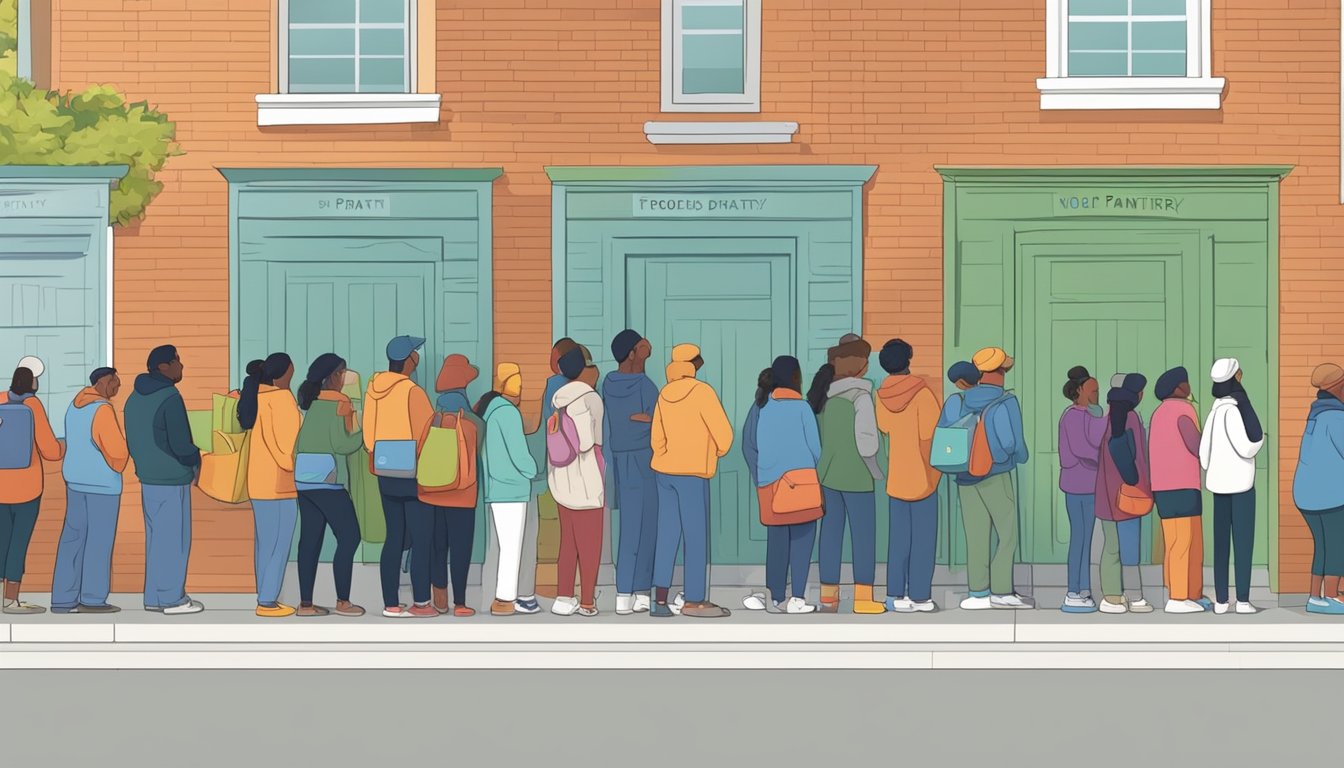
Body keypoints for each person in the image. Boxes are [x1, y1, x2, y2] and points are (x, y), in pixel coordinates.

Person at [938, 347, 1033, 610]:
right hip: (996, 475)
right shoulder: (1006, 401)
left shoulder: (956, 401)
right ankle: (1001, 591)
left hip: (965, 478)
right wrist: (1018, 457)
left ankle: (977, 593)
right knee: (1006, 533)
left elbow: (944, 437)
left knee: (976, 536)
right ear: (999, 372)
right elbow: (1012, 442)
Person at [650, 343, 734, 618]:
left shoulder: (664, 394)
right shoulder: (703, 392)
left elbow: (656, 439)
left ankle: (659, 600)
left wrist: (666, 456)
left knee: (666, 534)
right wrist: (715, 452)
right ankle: (694, 599)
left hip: (664, 473)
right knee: (695, 537)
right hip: (693, 474)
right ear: (694, 364)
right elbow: (724, 435)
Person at [124, 345, 204, 614]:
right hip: (172, 479)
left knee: (156, 540)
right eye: (177, 361)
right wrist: (196, 459)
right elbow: (181, 444)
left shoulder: (133, 398)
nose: (182, 366)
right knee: (174, 540)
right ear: (163, 367)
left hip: (147, 478)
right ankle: (172, 599)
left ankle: (154, 597)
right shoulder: (170, 397)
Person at [809, 335, 884, 614]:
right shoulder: (861, 396)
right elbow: (867, 441)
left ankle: (829, 598)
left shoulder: (821, 396)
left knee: (830, 535)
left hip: (827, 476)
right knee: (863, 537)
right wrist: (875, 470)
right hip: (857, 478)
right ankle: (863, 599)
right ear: (861, 365)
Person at [740, 356, 821, 614]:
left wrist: (761, 474)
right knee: (802, 542)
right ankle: (797, 598)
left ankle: (775, 596)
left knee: (776, 542)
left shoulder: (760, 407)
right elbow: (816, 449)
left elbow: (748, 445)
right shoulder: (804, 408)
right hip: (802, 485)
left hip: (769, 486)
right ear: (796, 378)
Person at [364, 335, 436, 618]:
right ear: (409, 360)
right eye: (415, 353)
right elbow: (425, 432)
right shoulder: (412, 391)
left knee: (393, 536)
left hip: (384, 470)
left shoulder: (373, 390)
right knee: (421, 537)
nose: (417, 358)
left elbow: (368, 437)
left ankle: (390, 603)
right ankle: (421, 603)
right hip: (413, 472)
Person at [293, 353, 366, 618]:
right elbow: (342, 444)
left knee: (309, 541)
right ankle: (343, 601)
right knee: (350, 536)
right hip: (328, 479)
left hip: (303, 478)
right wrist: (365, 431)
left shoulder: (311, 404)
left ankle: (305, 604)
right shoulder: (339, 401)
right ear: (333, 376)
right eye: (343, 372)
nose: (345, 378)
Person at [51, 367, 127, 614]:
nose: (118, 387)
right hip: (102, 487)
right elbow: (117, 453)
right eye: (115, 382)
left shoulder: (74, 406)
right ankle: (92, 598)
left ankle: (63, 598)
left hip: (75, 483)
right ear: (104, 383)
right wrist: (121, 461)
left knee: (72, 539)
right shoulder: (102, 409)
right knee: (99, 542)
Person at [876, 339, 942, 613]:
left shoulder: (880, 396)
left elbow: (884, 428)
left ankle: (893, 595)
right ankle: (920, 596)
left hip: (897, 479)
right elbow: (930, 437)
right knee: (924, 540)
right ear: (909, 359)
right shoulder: (923, 394)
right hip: (923, 479)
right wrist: (934, 474)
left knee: (898, 540)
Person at [238, 353, 301, 618]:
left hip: (257, 482)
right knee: (279, 544)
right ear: (283, 375)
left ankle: (263, 596)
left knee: (264, 544)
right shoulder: (282, 399)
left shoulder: (256, 397)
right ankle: (267, 601)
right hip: (281, 484)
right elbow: (287, 449)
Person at [0, 357, 66, 613]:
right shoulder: (32, 405)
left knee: (1, 540)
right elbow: (50, 450)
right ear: (32, 382)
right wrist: (64, 445)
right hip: (27, 489)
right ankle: (11, 600)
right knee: (18, 543)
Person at [1200, 358, 1265, 615]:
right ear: (1235, 377)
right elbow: (1248, 445)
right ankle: (1243, 601)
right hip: (1240, 486)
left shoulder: (1214, 412)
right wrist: (1257, 446)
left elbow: (1203, 455)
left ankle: (1221, 601)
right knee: (1243, 543)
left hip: (1218, 485)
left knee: (1221, 546)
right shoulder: (1235, 411)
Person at [602, 329, 659, 615]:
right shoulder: (645, 385)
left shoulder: (607, 384)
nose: (647, 350)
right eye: (641, 347)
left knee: (627, 528)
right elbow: (659, 422)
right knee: (648, 526)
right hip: (645, 461)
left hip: (619, 461)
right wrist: (644, 419)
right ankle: (641, 591)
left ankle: (622, 592)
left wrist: (638, 419)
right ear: (632, 353)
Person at [422, 353, 484, 617]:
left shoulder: (432, 416)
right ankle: (460, 603)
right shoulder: (472, 420)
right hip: (462, 494)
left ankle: (439, 599)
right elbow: (478, 447)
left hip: (432, 493)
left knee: (438, 547)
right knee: (461, 548)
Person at [548, 345, 606, 617]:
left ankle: (563, 597)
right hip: (586, 479)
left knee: (567, 542)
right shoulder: (588, 399)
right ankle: (586, 602)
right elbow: (585, 442)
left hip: (561, 479)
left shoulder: (558, 399)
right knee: (590, 544)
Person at [479, 363, 540, 616]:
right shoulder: (508, 414)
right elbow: (519, 454)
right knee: (512, 546)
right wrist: (533, 469)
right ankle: (504, 600)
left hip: (495, 489)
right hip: (512, 489)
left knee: (501, 545)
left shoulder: (490, 412)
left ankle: (497, 597)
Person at [1149, 367, 1211, 614]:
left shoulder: (1158, 413)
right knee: (1186, 542)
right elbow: (1196, 445)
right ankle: (1178, 597)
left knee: (1176, 541)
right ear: (1178, 388)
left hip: (1163, 488)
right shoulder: (1184, 409)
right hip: (1183, 485)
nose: (1189, 386)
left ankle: (1190, 593)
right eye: (1186, 383)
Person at [1094, 373, 1154, 615]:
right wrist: (1137, 481)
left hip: (1106, 495)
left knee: (1111, 547)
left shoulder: (1105, 419)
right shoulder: (1132, 418)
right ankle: (1135, 597)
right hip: (1130, 494)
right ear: (1136, 395)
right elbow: (1135, 457)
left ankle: (1111, 597)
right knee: (1130, 548)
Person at [1292, 363, 1344, 615]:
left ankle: (1315, 596)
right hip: (1330, 496)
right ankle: (1332, 597)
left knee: (1323, 545)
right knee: (1337, 544)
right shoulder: (1336, 417)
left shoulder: (1316, 414)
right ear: (1338, 388)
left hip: (1306, 495)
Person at [1057, 366, 1104, 613]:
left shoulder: (1089, 415)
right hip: (1077, 486)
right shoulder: (1073, 416)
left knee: (1086, 539)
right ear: (1079, 390)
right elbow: (1083, 449)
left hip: (1089, 485)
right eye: (1093, 390)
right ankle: (1073, 591)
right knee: (1080, 538)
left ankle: (1083, 588)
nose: (1097, 393)